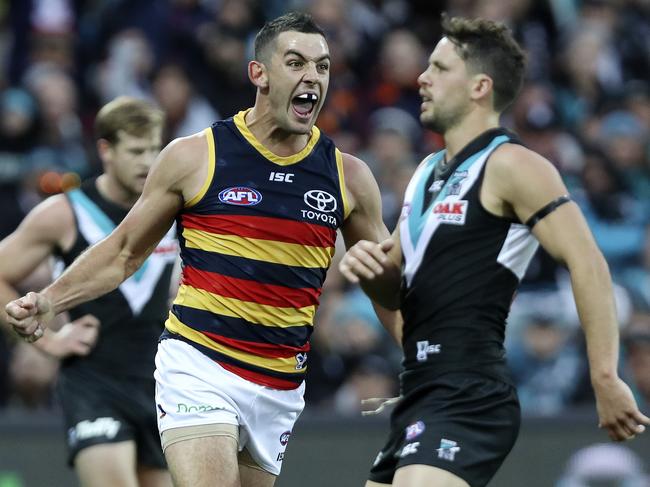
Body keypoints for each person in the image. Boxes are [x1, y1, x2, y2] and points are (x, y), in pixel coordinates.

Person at [5, 12, 393, 487]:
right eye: (296, 63)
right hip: (200, 365)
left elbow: (386, 284)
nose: (312, 77)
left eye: (323, 66)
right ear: (259, 74)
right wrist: (50, 300)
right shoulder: (197, 156)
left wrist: (431, 363)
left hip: (279, 385)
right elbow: (124, 250)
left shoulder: (347, 176)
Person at [339, 14, 650, 487]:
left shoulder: (514, 165)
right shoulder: (425, 171)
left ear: (479, 86)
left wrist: (604, 375)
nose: (422, 78)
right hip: (422, 388)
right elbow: (397, 293)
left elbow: (588, 262)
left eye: (439, 68)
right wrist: (372, 272)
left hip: (470, 391)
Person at [0, 96, 177, 487]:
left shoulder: (172, 211)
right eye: (135, 151)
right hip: (94, 382)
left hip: (163, 383)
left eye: (154, 149)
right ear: (105, 150)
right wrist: (48, 344)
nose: (148, 162)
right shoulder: (65, 212)